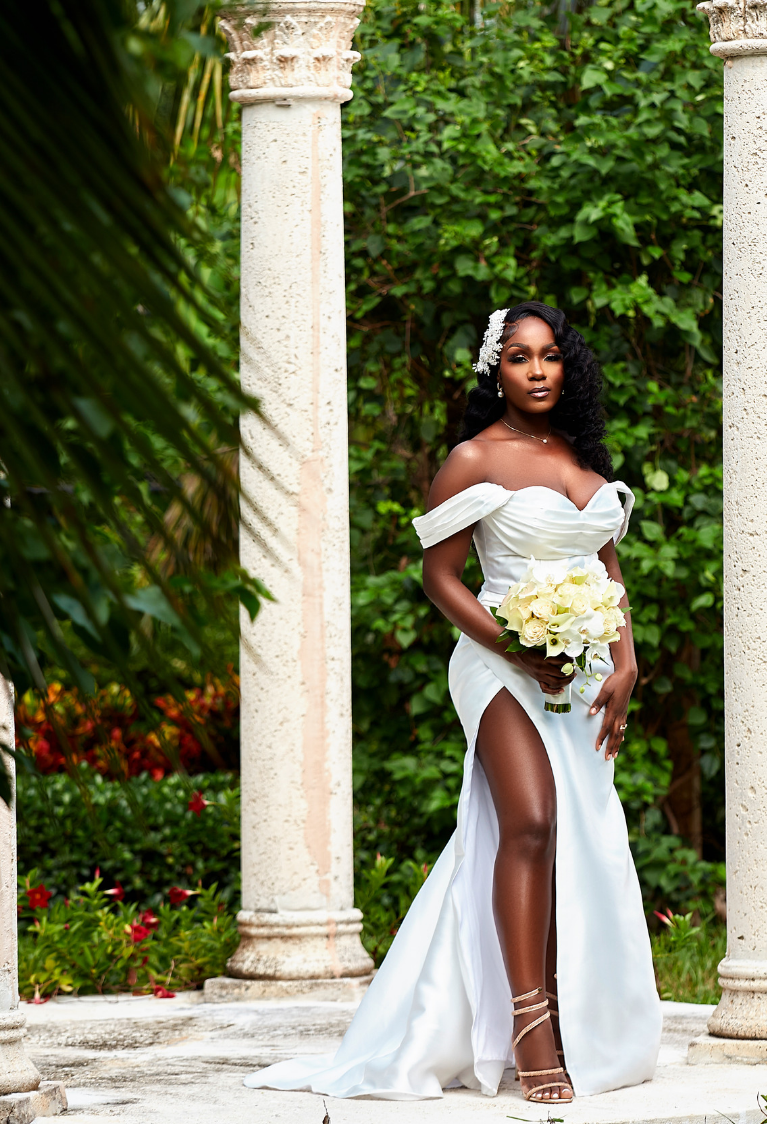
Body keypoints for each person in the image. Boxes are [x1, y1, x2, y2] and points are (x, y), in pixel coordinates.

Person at [246, 301, 661, 1103]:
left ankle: (567, 1013)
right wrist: (515, 645)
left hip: (575, 675)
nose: (536, 371)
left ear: (565, 365)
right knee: (531, 820)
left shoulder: (580, 454)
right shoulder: (473, 458)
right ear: (493, 370)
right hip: (496, 662)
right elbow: (439, 577)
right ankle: (531, 1024)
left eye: (548, 356)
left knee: (574, 837)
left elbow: (606, 564)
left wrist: (626, 662)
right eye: (518, 358)